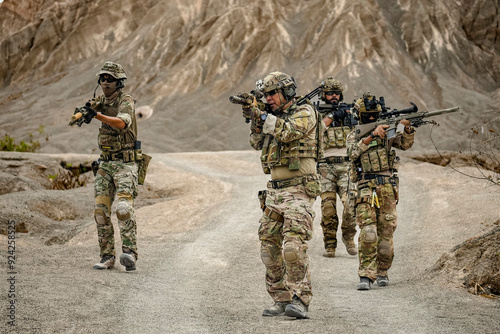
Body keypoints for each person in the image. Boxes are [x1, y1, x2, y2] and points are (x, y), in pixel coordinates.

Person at [245, 71, 321, 319]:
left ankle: (301, 299)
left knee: (292, 246)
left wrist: (263, 115)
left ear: (286, 91)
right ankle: (281, 297)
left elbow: (289, 132)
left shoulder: (305, 112)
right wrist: (254, 117)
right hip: (275, 192)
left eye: (272, 94)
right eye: (264, 95)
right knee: (268, 248)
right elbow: (256, 142)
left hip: (300, 189)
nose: (268, 99)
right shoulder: (271, 117)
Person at [346, 92, 415, 290]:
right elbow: (351, 153)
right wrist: (371, 136)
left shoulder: (388, 131)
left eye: (373, 115)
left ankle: (383, 271)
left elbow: (404, 144)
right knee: (368, 231)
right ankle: (366, 275)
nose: (370, 118)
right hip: (365, 186)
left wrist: (406, 128)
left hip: (386, 185)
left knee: (386, 232)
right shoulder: (356, 133)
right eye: (366, 115)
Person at [79, 61, 142, 271]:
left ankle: (130, 253)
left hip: (126, 163)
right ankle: (107, 256)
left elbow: (122, 122)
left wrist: (96, 116)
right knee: (100, 211)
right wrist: (82, 113)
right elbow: (85, 110)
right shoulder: (100, 101)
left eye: (110, 79)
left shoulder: (126, 100)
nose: (106, 82)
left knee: (123, 209)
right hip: (106, 163)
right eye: (103, 78)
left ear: (119, 82)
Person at [316, 77, 357, 258]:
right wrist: (332, 117)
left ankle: (348, 237)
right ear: (323, 95)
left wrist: (348, 116)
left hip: (347, 164)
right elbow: (314, 130)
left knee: (351, 203)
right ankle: (330, 243)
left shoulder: (349, 112)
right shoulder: (316, 113)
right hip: (325, 166)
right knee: (328, 207)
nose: (333, 96)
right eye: (330, 93)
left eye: (336, 93)